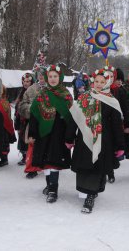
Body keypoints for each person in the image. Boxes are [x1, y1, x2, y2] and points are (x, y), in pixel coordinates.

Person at [65, 68, 125, 213]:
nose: (98, 84)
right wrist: (69, 137)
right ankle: (85, 190)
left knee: (97, 166)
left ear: (107, 82)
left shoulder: (112, 101)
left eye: (102, 82)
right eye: (96, 81)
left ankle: (90, 195)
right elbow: (75, 119)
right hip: (84, 139)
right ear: (92, 82)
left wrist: (120, 145)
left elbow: (116, 125)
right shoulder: (84, 97)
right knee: (85, 165)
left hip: (104, 141)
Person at [28, 65, 73, 203]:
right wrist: (32, 133)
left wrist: (69, 136)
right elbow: (34, 115)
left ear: (60, 78)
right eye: (50, 76)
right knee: (46, 161)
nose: (53, 79)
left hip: (58, 135)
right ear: (47, 78)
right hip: (44, 133)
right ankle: (49, 185)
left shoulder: (66, 95)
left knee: (54, 162)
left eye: (55, 76)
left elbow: (71, 118)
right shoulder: (42, 94)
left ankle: (53, 190)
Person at [18, 64, 47, 179]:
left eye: (44, 75)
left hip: (49, 123)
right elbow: (21, 105)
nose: (42, 77)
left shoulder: (53, 89)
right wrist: (32, 109)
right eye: (40, 75)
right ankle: (32, 168)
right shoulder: (31, 89)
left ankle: (47, 166)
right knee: (32, 145)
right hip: (34, 123)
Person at [106, 66, 129, 183]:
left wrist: (128, 124)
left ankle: (110, 171)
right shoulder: (100, 89)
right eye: (107, 76)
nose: (110, 79)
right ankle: (104, 170)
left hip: (115, 124)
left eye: (112, 76)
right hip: (102, 124)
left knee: (112, 148)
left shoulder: (120, 91)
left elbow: (126, 108)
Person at [14, 73, 34, 166]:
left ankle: (31, 157)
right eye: (24, 81)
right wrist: (16, 121)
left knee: (30, 138)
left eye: (28, 81)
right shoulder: (21, 92)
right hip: (21, 119)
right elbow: (17, 106)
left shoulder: (34, 91)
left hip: (30, 119)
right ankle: (24, 155)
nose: (26, 83)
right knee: (21, 138)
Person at [0, 85, 17, 167]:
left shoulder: (5, 102)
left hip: (4, 126)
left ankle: (4, 159)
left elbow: (7, 115)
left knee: (4, 143)